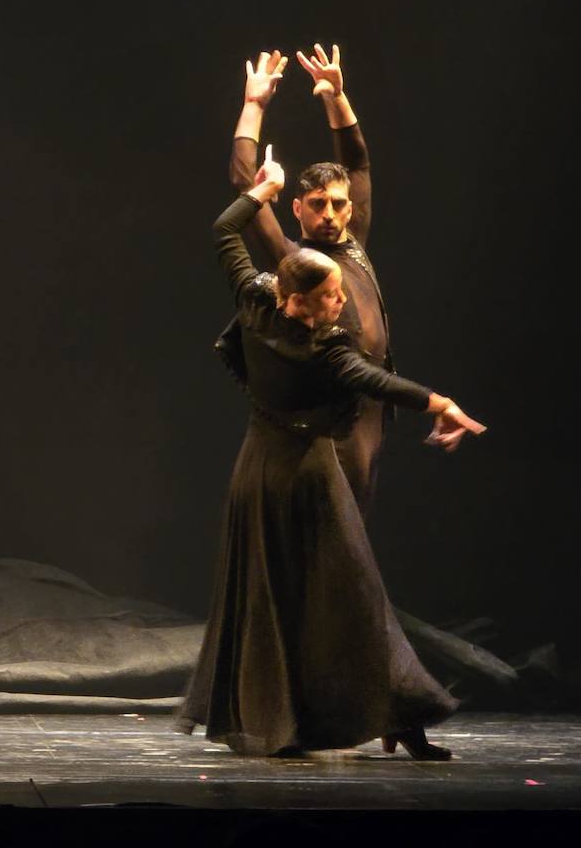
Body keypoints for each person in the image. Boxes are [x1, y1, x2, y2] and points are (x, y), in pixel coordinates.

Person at [178, 154, 486, 760]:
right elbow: (376, 380)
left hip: (255, 473)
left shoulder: (254, 298)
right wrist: (439, 401)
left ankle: (292, 716)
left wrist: (260, 189)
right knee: (350, 595)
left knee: (279, 594)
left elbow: (223, 233)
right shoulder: (327, 350)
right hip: (309, 477)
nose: (342, 302)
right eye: (333, 295)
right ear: (302, 303)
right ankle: (381, 713)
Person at [227, 46, 391, 514]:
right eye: (317, 204)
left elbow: (357, 164)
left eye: (338, 204)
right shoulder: (293, 260)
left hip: (367, 418)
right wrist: (253, 107)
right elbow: (243, 186)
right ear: (296, 208)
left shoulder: (352, 243)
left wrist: (336, 97)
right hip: (325, 423)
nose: (330, 214)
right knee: (327, 536)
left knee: (353, 531)